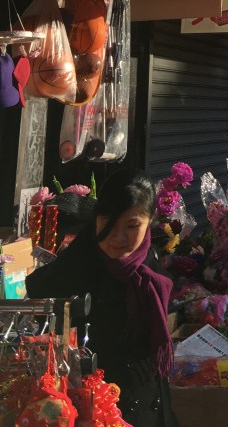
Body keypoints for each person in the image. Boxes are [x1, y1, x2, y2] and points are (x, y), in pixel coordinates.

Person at [26, 167, 176, 427]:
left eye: (131, 226)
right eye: (108, 223)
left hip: (149, 403)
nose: (118, 238)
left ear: (150, 219)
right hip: (96, 409)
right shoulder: (76, 265)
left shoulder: (149, 260)